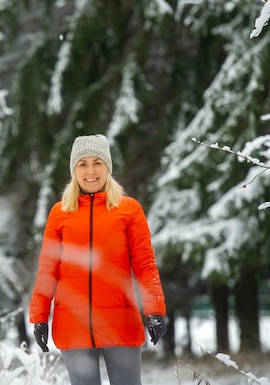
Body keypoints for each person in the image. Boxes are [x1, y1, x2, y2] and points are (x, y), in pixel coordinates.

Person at [29, 134, 167, 385]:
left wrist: (155, 310)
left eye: (97, 163)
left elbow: (145, 265)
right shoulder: (60, 213)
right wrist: (39, 317)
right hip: (73, 324)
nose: (90, 171)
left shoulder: (129, 210)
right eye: (83, 164)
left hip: (120, 322)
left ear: (108, 168)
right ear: (74, 170)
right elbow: (48, 270)